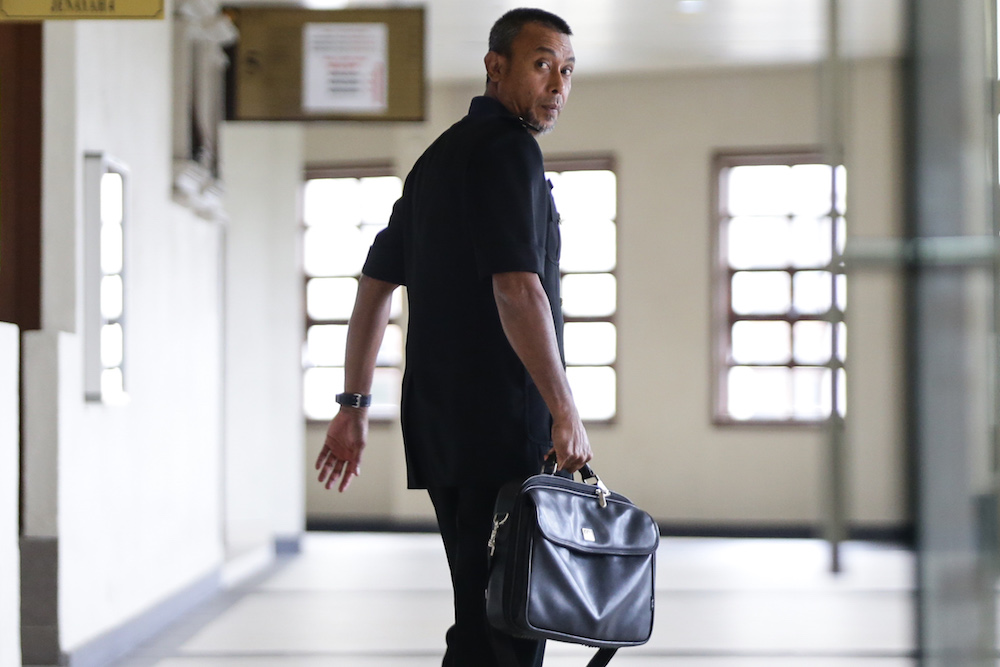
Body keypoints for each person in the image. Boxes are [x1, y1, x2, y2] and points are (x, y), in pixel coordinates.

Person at [315, 8, 592, 666]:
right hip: (504, 429)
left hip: (444, 434)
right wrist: (564, 408)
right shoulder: (510, 151)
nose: (557, 84)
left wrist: (352, 405)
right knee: (514, 629)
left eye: (568, 70)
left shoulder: (434, 163)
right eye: (542, 63)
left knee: (481, 621)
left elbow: (374, 284)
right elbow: (517, 287)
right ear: (496, 67)